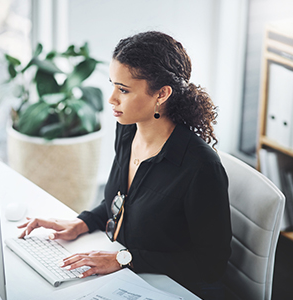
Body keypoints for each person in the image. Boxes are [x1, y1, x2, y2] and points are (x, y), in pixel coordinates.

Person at [18, 31, 232, 300]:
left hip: (174, 287)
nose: (111, 99)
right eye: (113, 85)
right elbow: (123, 200)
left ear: (162, 94)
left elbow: (210, 265)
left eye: (123, 90)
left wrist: (124, 258)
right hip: (130, 276)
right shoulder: (128, 130)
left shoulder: (199, 167)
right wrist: (82, 223)